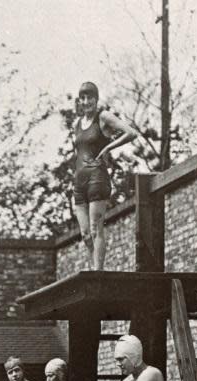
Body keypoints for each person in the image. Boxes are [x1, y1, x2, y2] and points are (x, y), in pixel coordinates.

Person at [73, 81, 136, 270]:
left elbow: (131, 133)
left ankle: (98, 271)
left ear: (96, 99)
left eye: (90, 97)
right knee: (84, 233)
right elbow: (79, 152)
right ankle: (93, 268)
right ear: (79, 101)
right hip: (79, 181)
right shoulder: (77, 124)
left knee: (95, 228)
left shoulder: (103, 117)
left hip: (97, 178)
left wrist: (108, 146)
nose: (86, 102)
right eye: (83, 98)